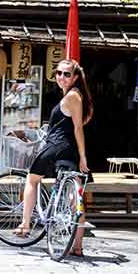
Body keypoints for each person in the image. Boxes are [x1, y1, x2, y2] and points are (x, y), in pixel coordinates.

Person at [17, 58, 94, 256]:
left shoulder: (72, 97)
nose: (61, 77)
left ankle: (25, 225)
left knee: (32, 179)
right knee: (75, 196)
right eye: (58, 73)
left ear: (75, 77)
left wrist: (84, 157)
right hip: (69, 149)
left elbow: (78, 128)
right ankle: (77, 247)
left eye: (66, 74)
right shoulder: (76, 95)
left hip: (57, 146)